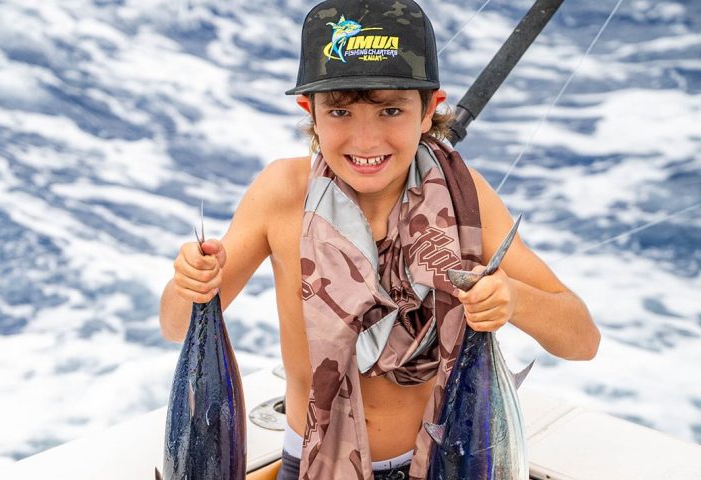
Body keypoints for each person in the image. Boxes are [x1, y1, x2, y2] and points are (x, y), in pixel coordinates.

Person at [159, 0, 601, 479]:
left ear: (431, 109)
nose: (366, 140)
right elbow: (176, 326)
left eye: (391, 109)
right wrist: (191, 285)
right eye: (341, 111)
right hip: (311, 464)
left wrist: (514, 301)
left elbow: (582, 340)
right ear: (309, 110)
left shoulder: (467, 196)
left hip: (446, 462)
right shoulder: (282, 194)